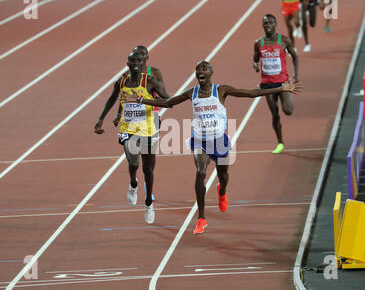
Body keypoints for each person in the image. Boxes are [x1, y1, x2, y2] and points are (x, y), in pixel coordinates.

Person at [122, 60, 302, 234]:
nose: (200, 71)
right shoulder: (191, 93)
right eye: (198, 69)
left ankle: (221, 192)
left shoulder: (221, 90)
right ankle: (201, 218)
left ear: (210, 73)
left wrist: (281, 88)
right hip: (200, 140)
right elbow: (168, 103)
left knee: (223, 176)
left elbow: (250, 93)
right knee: (200, 172)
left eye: (204, 69)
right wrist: (141, 100)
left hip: (219, 140)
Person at [94, 51, 170, 224]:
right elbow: (113, 99)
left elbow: (167, 100)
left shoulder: (151, 79)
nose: (135, 62)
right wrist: (101, 119)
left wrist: (148, 103)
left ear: (144, 61)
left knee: (148, 170)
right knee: (133, 163)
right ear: (127, 62)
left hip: (149, 129)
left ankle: (149, 203)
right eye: (132, 60)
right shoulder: (121, 81)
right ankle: (133, 184)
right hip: (128, 129)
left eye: (139, 60)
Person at [113, 45, 167, 201]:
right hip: (132, 119)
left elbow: (162, 94)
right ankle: (134, 182)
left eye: (143, 55)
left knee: (149, 156)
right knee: (134, 157)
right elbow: (125, 98)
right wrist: (118, 114)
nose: (140, 59)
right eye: (137, 56)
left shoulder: (154, 74)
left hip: (152, 115)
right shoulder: (127, 76)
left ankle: (147, 186)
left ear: (146, 58)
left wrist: (150, 102)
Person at [253, 14, 299, 154]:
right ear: (262, 25)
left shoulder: (284, 40)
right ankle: (280, 143)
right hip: (267, 85)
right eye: (265, 23)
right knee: (275, 114)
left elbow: (295, 57)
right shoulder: (258, 43)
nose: (268, 25)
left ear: (276, 24)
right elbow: (255, 59)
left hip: (283, 82)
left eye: (271, 22)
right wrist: (255, 65)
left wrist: (296, 75)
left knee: (288, 111)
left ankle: (288, 93)